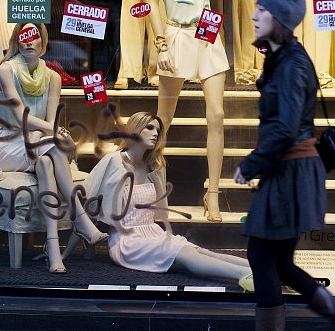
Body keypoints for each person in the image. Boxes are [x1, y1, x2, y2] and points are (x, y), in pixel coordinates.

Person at [234, 0, 335, 331]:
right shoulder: (283, 57)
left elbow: (285, 127)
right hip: (289, 168)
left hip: (290, 169)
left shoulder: (292, 65)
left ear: (279, 18)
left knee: (263, 256)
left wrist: (250, 165)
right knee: (279, 261)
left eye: (262, 10)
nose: (254, 15)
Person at [84, 111, 253, 290]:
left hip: (153, 232)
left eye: (157, 130)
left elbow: (161, 212)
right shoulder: (113, 161)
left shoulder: (154, 164)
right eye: (149, 128)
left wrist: (157, 178)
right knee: (186, 254)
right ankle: (244, 276)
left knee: (198, 250)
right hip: (127, 241)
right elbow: (87, 200)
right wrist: (86, 244)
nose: (155, 133)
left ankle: (259, 269)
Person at [0, 22, 108, 273]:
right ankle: (81, 220)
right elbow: (21, 116)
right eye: (23, 37)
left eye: (34, 37)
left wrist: (50, 131)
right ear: (17, 41)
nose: (28, 42)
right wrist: (53, 132)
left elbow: (51, 121)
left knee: (46, 161)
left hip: (40, 144)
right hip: (8, 144)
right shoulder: (5, 70)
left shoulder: (53, 77)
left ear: (42, 43)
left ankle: (53, 248)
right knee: (51, 145)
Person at [144, 0, 229, 222]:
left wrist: (214, 30)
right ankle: (156, 187)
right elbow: (150, 1)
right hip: (175, 34)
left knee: (217, 114)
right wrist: (160, 43)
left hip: (205, 34)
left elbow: (209, 0)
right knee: (163, 120)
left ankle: (214, 194)